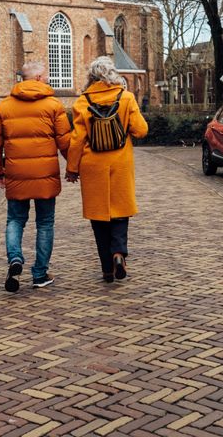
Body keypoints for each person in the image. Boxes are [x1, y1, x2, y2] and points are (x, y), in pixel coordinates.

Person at [0, 62, 71, 292]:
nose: (48, 79)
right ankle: (40, 274)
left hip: (16, 175)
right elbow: (65, 142)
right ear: (37, 78)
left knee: (15, 221)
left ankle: (15, 259)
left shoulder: (4, 107)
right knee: (45, 223)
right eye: (46, 76)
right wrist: (73, 168)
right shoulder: (54, 105)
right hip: (45, 176)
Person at [66, 56, 149, 283]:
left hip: (93, 165)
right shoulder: (127, 97)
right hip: (120, 163)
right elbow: (141, 130)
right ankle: (119, 253)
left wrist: (72, 169)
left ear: (92, 77)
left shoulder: (82, 102)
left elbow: (76, 140)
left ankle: (106, 269)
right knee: (120, 212)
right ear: (113, 73)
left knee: (98, 216)